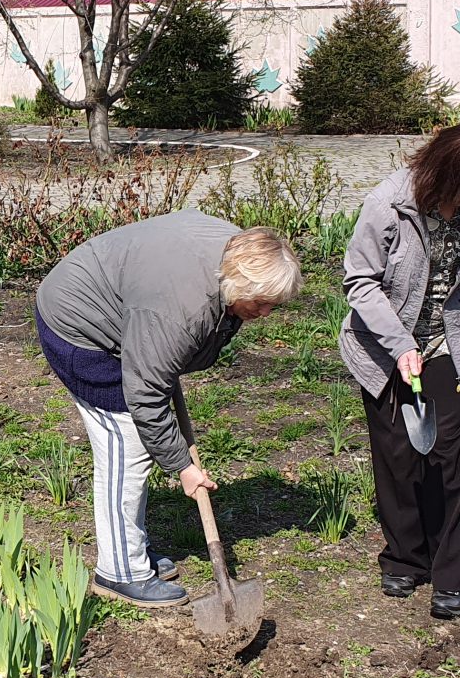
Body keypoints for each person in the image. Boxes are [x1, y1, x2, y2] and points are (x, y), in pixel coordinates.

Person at [36, 213, 303, 607]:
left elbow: (161, 352)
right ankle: (119, 571)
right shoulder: (180, 310)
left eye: (272, 306)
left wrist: (162, 356)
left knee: (143, 414)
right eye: (261, 303)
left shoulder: (244, 254)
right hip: (79, 326)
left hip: (134, 313)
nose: (264, 314)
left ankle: (130, 546)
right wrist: (183, 467)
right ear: (238, 283)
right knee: (126, 444)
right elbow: (145, 394)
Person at [339, 120, 460, 621]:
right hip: (383, 344)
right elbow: (360, 281)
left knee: (446, 456)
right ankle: (404, 558)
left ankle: (453, 573)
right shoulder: (388, 203)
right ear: (443, 173)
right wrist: (399, 346)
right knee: (397, 455)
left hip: (451, 343)